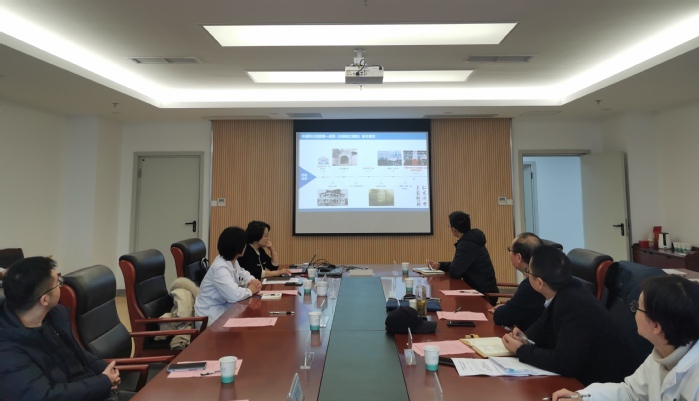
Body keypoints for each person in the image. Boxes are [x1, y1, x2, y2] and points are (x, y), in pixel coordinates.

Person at [501, 245, 637, 386]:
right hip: (590, 373)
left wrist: (521, 350)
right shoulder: (568, 287)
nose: (527, 275)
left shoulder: (572, 304)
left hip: (605, 383)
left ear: (540, 283)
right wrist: (526, 338)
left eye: (528, 271)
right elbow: (544, 322)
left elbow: (564, 363)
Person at [551, 275, 699, 401]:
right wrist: (582, 397)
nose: (633, 312)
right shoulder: (662, 353)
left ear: (656, 326)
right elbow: (631, 392)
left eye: (637, 306)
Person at [0, 257, 124, 401]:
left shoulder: (52, 315)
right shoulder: (7, 350)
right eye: (58, 283)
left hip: (91, 391)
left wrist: (106, 372)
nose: (61, 286)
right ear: (45, 299)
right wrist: (102, 383)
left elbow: (78, 353)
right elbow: (44, 396)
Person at [426, 211, 498, 305]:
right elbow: (459, 264)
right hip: (482, 289)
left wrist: (444, 266)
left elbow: (455, 272)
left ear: (454, 229)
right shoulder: (471, 239)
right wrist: (440, 265)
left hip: (482, 295)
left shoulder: (466, 244)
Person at [194, 226, 262, 324]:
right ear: (238, 247)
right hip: (210, 315)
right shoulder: (219, 268)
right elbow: (233, 295)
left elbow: (243, 274)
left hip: (224, 307)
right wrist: (250, 290)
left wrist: (253, 281)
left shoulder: (232, 261)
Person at [489, 232, 545, 330]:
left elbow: (502, 317)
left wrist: (501, 310)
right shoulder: (546, 277)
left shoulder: (530, 285)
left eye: (510, 250)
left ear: (518, 257)